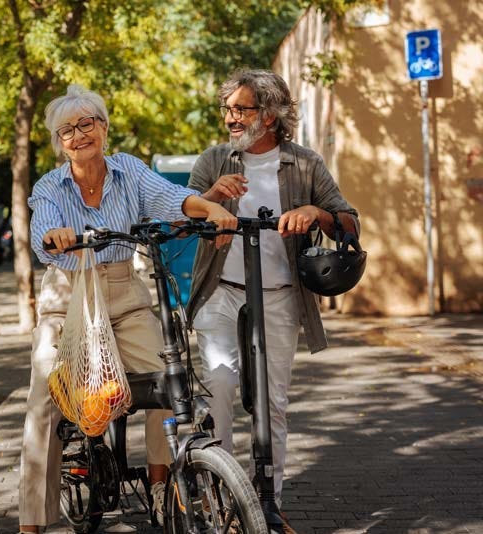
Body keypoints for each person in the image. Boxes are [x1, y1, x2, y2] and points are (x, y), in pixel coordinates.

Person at [19, 84, 237, 533]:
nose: (79, 135)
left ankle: (162, 488)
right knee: (45, 392)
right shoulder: (49, 185)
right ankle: (32, 524)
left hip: (123, 294)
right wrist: (56, 235)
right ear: (59, 142)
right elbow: (43, 224)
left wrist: (210, 208)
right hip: (68, 296)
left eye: (87, 124)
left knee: (168, 377)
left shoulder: (129, 171)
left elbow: (170, 198)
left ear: (104, 126)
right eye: (67, 131)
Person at [186, 69, 360, 532]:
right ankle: (219, 498)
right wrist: (209, 199)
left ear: (269, 114)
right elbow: (181, 216)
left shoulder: (303, 164)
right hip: (221, 293)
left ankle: (268, 504)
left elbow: (348, 222)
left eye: (241, 109)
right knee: (220, 385)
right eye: (228, 109)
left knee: (272, 403)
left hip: (281, 297)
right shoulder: (215, 160)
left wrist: (314, 212)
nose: (231, 118)